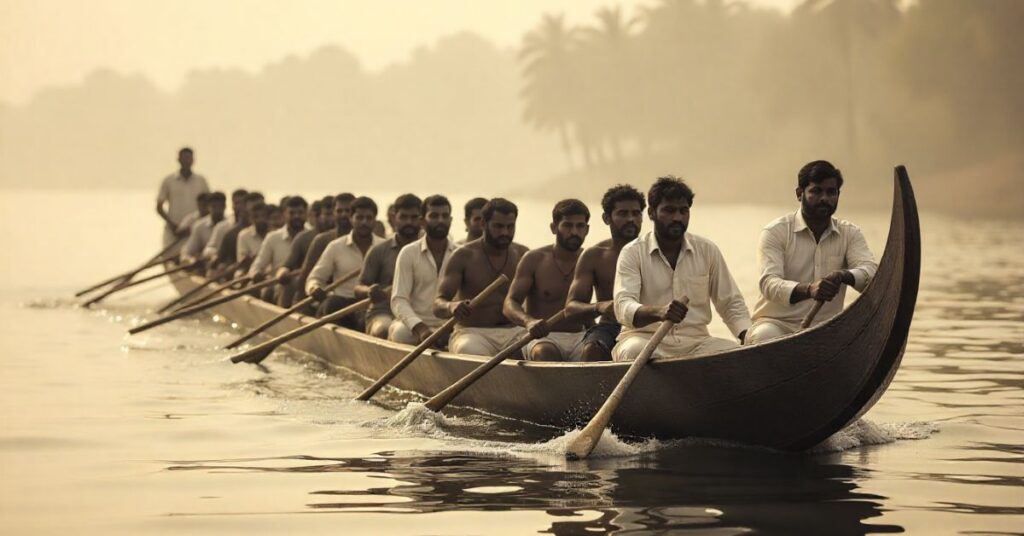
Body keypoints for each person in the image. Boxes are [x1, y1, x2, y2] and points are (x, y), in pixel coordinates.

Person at [612, 176, 751, 361]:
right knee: (633, 351)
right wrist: (659, 312)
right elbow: (623, 305)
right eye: (669, 210)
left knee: (735, 355)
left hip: (697, 343)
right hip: (643, 340)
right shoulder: (632, 252)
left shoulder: (707, 250)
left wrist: (748, 338)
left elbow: (731, 303)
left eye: (683, 211)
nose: (677, 217)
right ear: (652, 213)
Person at [746, 160, 878, 344]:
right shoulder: (775, 232)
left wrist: (844, 275)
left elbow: (871, 274)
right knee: (765, 336)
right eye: (816, 191)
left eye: (831, 192)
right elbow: (769, 283)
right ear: (799, 194)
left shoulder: (850, 233)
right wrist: (810, 289)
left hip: (827, 328)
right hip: (776, 325)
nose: (824, 198)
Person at [433, 198, 528, 356]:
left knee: (535, 349)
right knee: (469, 350)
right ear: (484, 224)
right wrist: (452, 306)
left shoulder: (523, 254)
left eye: (510, 226)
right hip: (472, 333)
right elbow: (437, 304)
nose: (505, 232)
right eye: (498, 226)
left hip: (515, 332)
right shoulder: (463, 255)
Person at [565, 185, 645, 361]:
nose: (631, 219)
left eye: (636, 213)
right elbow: (571, 308)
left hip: (648, 326)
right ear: (606, 218)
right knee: (593, 348)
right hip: (610, 327)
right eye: (623, 214)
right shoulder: (594, 255)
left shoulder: (653, 251)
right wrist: (600, 306)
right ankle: (592, 389)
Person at [504, 199, 591, 361]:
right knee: (545, 353)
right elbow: (510, 303)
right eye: (567, 225)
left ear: (587, 230)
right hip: (543, 338)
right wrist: (529, 322)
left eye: (580, 226)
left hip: (580, 337)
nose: (574, 232)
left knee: (595, 352)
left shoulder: (591, 259)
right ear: (553, 228)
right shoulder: (534, 259)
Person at [306, 196, 385, 330]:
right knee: (330, 303)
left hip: (370, 305)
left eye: (369, 218)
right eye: (359, 218)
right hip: (341, 304)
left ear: (375, 221)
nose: (364, 222)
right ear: (351, 219)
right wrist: (314, 288)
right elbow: (314, 278)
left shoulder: (383, 247)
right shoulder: (336, 246)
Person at [390, 195, 458, 344]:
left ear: (450, 221)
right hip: (414, 327)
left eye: (444, 216)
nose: (440, 220)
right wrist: (420, 328)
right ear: (422, 221)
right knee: (400, 333)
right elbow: (398, 300)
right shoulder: (408, 253)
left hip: (450, 328)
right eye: (434, 215)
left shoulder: (460, 254)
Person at [354, 194, 423, 338]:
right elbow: (358, 288)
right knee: (383, 330)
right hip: (383, 313)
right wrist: (370, 291)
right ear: (394, 218)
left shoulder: (429, 252)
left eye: (414, 217)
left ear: (421, 220)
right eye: (403, 217)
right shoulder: (379, 251)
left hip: (420, 314)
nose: (409, 222)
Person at [293, 193, 356, 310]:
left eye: (348, 211)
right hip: (327, 302)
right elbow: (306, 277)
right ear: (334, 213)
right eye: (339, 211)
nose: (344, 215)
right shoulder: (322, 240)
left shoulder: (373, 244)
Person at [275, 196, 335, 307]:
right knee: (290, 284)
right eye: (327, 214)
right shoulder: (304, 238)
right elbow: (287, 265)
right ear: (317, 216)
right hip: (309, 286)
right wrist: (282, 273)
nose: (332, 219)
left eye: (333, 214)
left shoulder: (343, 239)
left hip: (334, 286)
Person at [248, 196, 308, 302]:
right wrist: (256, 274)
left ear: (306, 214)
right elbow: (257, 266)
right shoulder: (273, 237)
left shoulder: (313, 237)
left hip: (305, 285)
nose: (296, 216)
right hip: (276, 285)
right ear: (284, 214)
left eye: (300, 212)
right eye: (292, 213)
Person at [156, 147, 210, 248]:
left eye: (189, 158)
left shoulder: (201, 181)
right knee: (170, 259)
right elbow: (159, 207)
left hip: (194, 230)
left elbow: (208, 204)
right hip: (173, 231)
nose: (186, 161)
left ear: (193, 160)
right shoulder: (169, 181)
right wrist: (173, 226)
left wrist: (198, 225)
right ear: (178, 160)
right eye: (184, 158)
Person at [213, 192, 264, 269]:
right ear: (244, 210)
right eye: (254, 212)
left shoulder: (274, 233)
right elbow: (222, 263)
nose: (260, 219)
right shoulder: (231, 235)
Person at [203, 189, 249, 264]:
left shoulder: (254, 227)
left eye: (243, 203)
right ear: (232, 205)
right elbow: (209, 249)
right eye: (237, 203)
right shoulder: (222, 227)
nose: (240, 207)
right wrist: (217, 253)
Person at [180, 191, 227, 263]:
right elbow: (187, 252)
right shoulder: (199, 226)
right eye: (214, 207)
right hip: (205, 265)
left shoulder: (230, 225)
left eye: (220, 207)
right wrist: (192, 260)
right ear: (208, 207)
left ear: (225, 207)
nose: (217, 210)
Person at [235, 201, 271, 274]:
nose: (260, 220)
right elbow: (242, 262)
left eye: (263, 216)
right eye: (256, 217)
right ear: (250, 219)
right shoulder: (243, 235)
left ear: (268, 217)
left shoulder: (274, 234)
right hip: (250, 274)